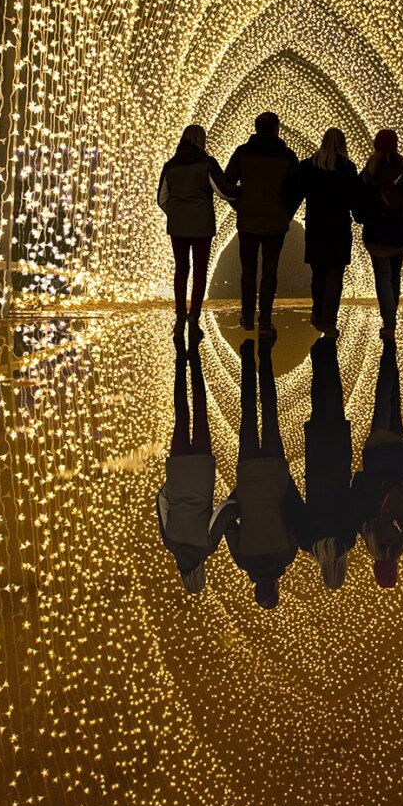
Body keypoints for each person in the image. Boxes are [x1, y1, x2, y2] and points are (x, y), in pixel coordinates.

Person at [210, 338, 304, 609]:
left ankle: (266, 353)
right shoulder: (243, 560)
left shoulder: (286, 555)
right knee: (248, 412)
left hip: (274, 473)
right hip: (249, 474)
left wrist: (287, 482)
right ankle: (247, 355)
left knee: (270, 413)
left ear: (275, 586)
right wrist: (242, 496)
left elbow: (293, 514)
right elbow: (229, 523)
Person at [352, 341, 403, 589]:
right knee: (381, 404)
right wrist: (361, 476)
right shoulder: (369, 535)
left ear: (394, 568)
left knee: (395, 406)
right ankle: (387, 354)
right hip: (376, 454)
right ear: (376, 567)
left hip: (399, 456)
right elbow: (358, 496)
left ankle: (391, 355)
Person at [225, 112, 298, 338]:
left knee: (248, 270)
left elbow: (227, 184)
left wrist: (240, 203)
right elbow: (295, 190)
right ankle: (265, 320)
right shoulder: (287, 156)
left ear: (256, 129)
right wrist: (286, 213)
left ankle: (247, 317)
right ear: (277, 129)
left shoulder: (242, 153)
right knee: (269, 270)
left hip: (248, 220)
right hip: (275, 221)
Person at [157, 124, 234, 339]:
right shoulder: (207, 164)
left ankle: (180, 314)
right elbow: (223, 191)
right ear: (201, 140)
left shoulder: (170, 166)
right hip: (202, 226)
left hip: (178, 226)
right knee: (200, 271)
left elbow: (162, 198)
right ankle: (194, 317)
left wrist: (175, 213)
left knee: (181, 269)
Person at [157, 340, 220, 593]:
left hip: (202, 472)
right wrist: (173, 484)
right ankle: (180, 358)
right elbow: (161, 502)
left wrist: (242, 500)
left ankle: (195, 358)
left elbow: (223, 512)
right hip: (179, 472)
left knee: (200, 412)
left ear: (199, 573)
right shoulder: (169, 542)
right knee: (181, 414)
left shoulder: (207, 546)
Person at [286, 127, 357, 337]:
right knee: (335, 274)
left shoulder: (309, 166)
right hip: (339, 228)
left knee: (318, 274)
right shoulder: (347, 168)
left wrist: (286, 216)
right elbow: (354, 199)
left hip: (317, 227)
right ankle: (329, 321)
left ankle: (317, 313)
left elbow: (295, 193)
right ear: (342, 144)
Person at [352, 128, 403, 340]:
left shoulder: (369, 171)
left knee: (382, 276)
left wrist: (362, 218)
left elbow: (358, 202)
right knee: (394, 276)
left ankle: (389, 323)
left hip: (376, 234)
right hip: (399, 233)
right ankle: (391, 320)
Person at [299, 337, 357, 589]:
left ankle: (328, 352)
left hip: (338, 460)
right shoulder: (308, 541)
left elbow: (354, 501)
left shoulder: (348, 539)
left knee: (334, 403)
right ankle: (317, 358)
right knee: (318, 405)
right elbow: (296, 507)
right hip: (316, 463)